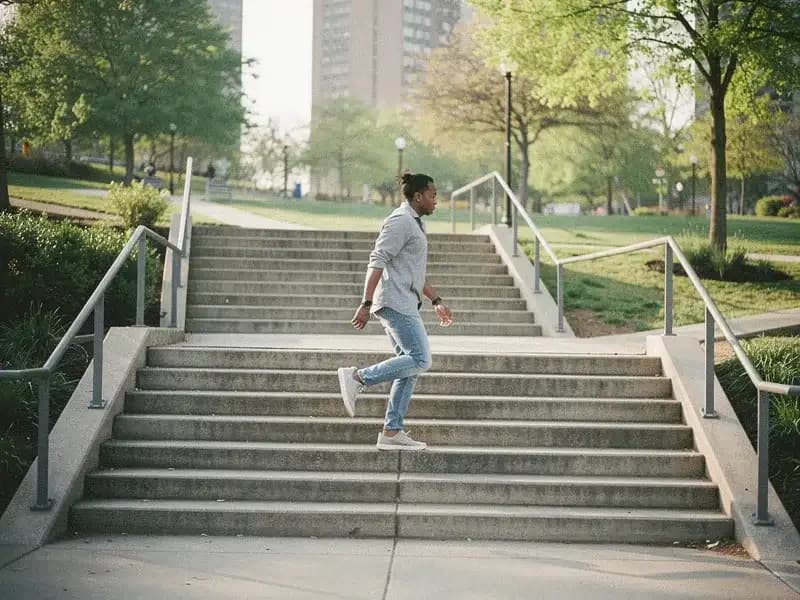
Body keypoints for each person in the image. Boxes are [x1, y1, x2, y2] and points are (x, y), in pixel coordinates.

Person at [337, 172, 454, 451]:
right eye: (433, 195)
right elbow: (377, 259)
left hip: (405, 300)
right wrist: (365, 303)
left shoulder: (415, 223)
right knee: (421, 358)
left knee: (409, 368)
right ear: (418, 196)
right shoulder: (400, 221)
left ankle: (391, 432)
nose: (436, 201)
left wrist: (436, 300)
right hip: (395, 302)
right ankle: (358, 377)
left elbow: (414, 272)